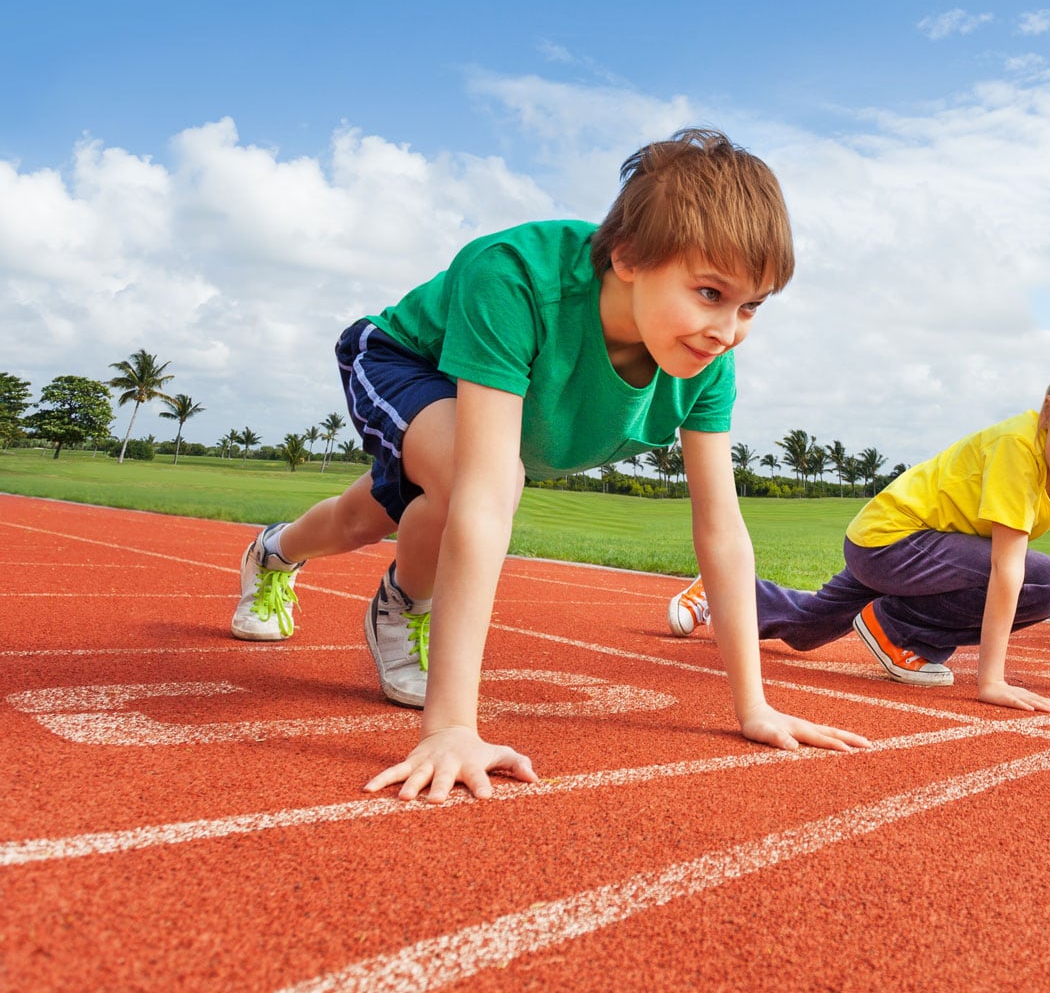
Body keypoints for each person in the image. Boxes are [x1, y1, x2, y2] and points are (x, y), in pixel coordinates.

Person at [229, 128, 869, 801]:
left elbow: (721, 531)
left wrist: (754, 708)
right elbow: (480, 496)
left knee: (363, 518)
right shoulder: (512, 279)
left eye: (751, 307)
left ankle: (273, 553)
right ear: (627, 257)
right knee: (483, 484)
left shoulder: (707, 362)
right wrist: (451, 727)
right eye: (710, 292)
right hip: (403, 358)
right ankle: (402, 608)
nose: (729, 329)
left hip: (487, 431)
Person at [668, 325, 1050, 713]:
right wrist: (990, 681)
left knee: (808, 627)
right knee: (1047, 582)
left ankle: (720, 591)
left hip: (925, 552)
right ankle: (899, 631)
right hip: (894, 541)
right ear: (1046, 414)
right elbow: (1007, 568)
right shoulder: (1019, 447)